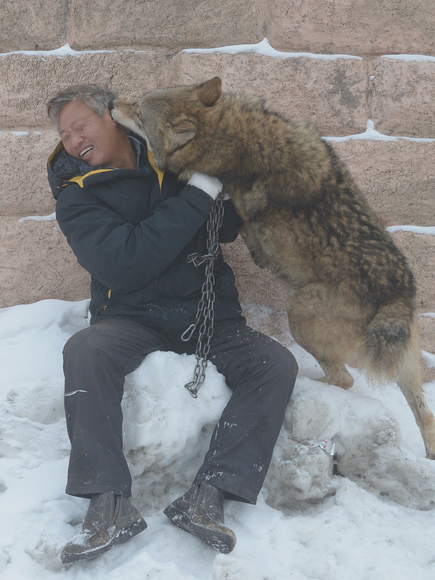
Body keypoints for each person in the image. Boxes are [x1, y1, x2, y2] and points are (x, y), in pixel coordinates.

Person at [45, 84, 298, 564]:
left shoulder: (173, 160)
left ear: (113, 118)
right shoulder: (76, 198)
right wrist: (199, 191)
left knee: (274, 364)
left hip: (208, 315)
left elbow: (223, 228)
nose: (74, 140)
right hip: (130, 318)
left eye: (80, 125)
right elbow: (127, 264)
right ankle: (107, 503)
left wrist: (223, 167)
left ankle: (209, 496)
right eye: (65, 134)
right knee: (85, 351)